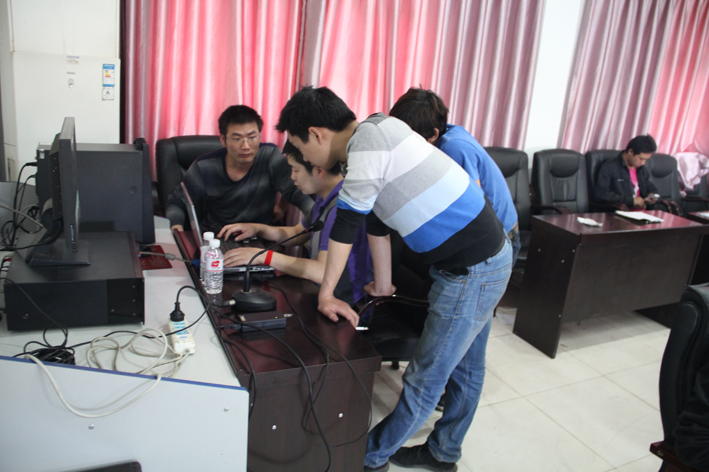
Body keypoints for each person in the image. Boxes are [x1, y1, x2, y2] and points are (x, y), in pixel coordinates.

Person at [277, 86, 512, 472]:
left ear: (316, 134)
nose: (304, 158)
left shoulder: (367, 145)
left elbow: (347, 224)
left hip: (473, 269)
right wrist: (383, 283)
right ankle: (443, 453)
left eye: (301, 147)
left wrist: (326, 294)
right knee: (466, 368)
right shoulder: (376, 130)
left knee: (425, 377)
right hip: (482, 260)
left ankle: (369, 459)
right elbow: (376, 220)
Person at [217, 142, 373, 306]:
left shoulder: (340, 209)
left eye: (296, 170)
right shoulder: (325, 196)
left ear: (319, 170)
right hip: (322, 295)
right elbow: (297, 233)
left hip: (344, 305)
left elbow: (322, 272)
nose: (292, 177)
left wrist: (264, 256)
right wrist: (257, 229)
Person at [389, 87, 520, 264]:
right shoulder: (445, 134)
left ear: (433, 134)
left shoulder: (454, 148)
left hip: (496, 243)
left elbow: (473, 209)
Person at [165, 105, 314, 233]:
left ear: (259, 137)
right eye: (237, 139)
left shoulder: (270, 157)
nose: (246, 146)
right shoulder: (205, 166)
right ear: (223, 140)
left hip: (260, 237)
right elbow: (176, 202)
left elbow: (294, 191)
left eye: (251, 137)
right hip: (218, 236)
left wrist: (312, 214)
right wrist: (177, 229)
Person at [593, 135, 660, 209]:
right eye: (641, 159)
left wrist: (653, 196)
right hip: (620, 211)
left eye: (645, 160)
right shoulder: (609, 167)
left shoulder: (642, 169)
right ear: (630, 152)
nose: (643, 163)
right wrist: (631, 201)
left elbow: (651, 187)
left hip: (643, 212)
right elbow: (601, 194)